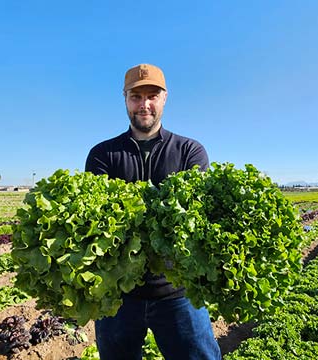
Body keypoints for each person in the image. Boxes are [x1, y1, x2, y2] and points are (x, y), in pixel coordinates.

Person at [85, 63, 221, 360]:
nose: (144, 104)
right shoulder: (103, 155)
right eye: (136, 96)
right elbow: (95, 222)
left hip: (178, 294)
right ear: (125, 99)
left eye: (152, 95)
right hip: (118, 297)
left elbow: (196, 220)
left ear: (164, 98)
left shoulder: (190, 151)